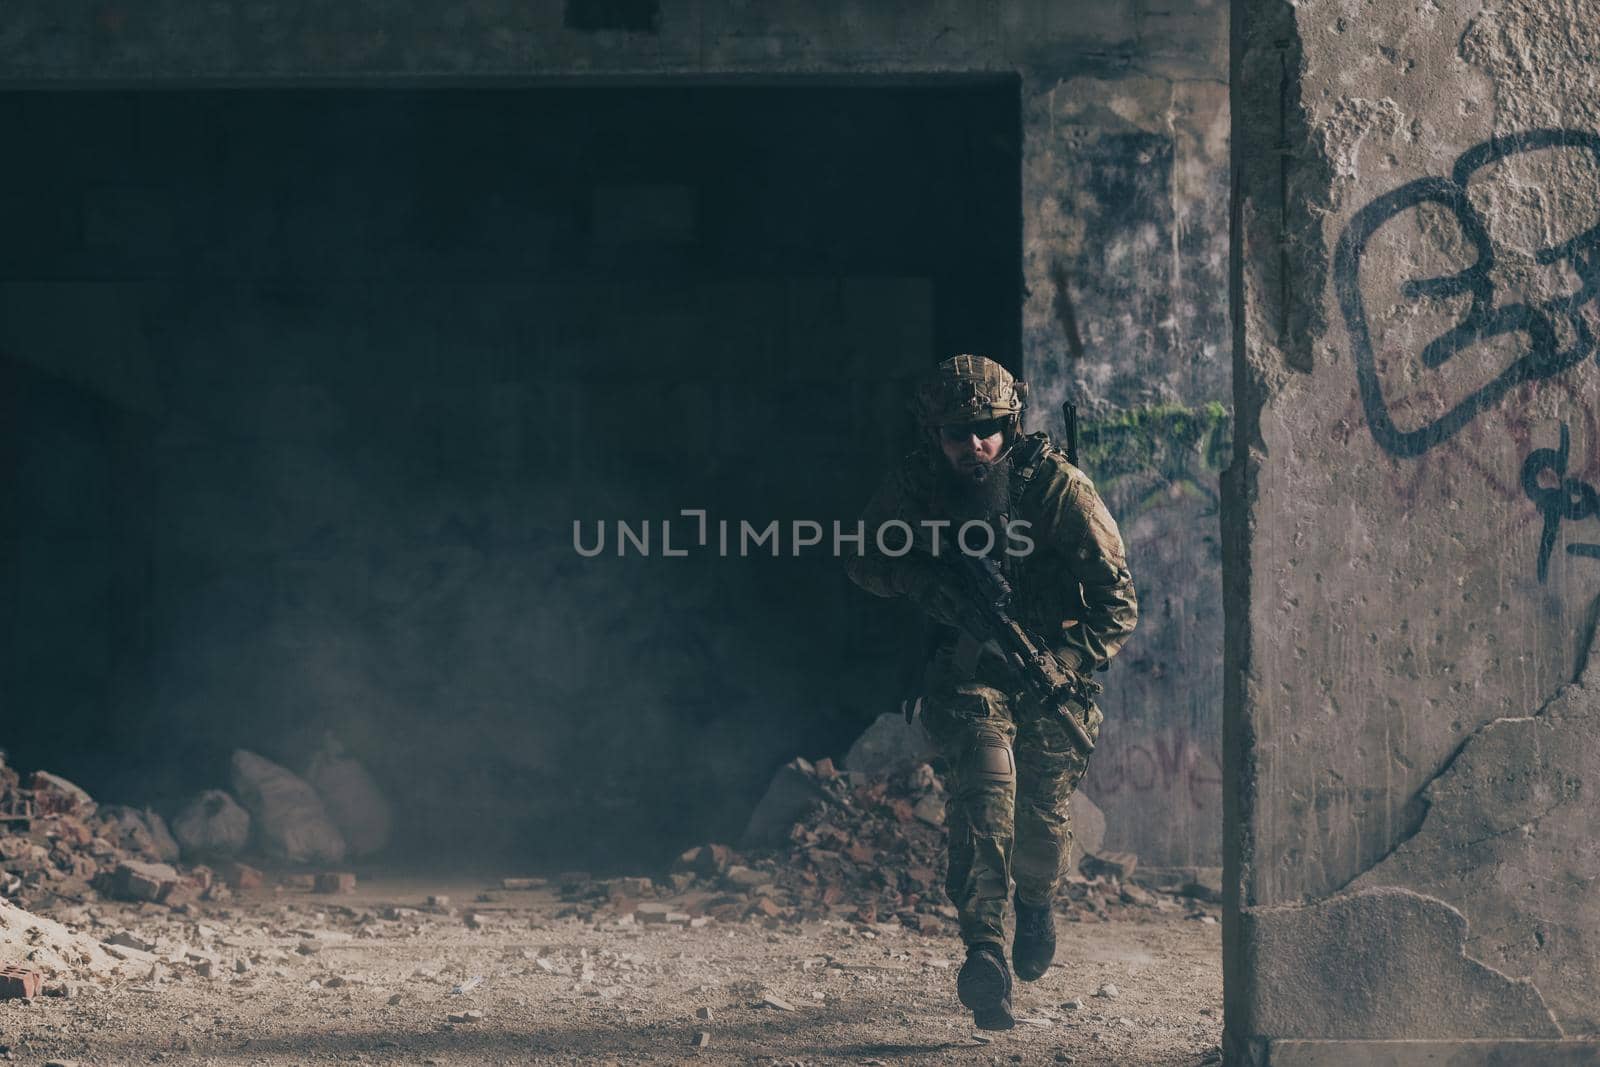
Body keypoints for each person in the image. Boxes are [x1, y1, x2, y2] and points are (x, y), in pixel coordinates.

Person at [845, 354, 1138, 1030]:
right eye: (956, 432)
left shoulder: (1058, 489)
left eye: (987, 428)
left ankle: (1035, 903)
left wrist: (1066, 660)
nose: (973, 444)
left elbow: (1119, 602)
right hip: (969, 672)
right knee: (983, 789)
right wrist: (929, 586)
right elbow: (863, 557)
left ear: (1009, 423)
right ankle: (984, 952)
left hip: (1049, 676)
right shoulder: (918, 484)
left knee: (1042, 825)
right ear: (934, 434)